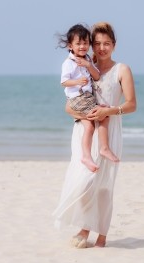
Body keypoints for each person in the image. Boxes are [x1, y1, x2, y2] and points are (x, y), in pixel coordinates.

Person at [53, 22, 137, 248]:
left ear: (114, 45)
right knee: (84, 182)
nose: (101, 48)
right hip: (84, 129)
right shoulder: (85, 67)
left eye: (106, 43)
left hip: (109, 132)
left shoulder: (122, 69)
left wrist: (108, 110)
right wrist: (80, 114)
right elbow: (69, 106)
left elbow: (131, 105)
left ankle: (101, 234)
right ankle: (84, 227)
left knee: (104, 186)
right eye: (97, 43)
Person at [59, 24, 119, 173]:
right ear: (70, 46)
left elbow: (97, 76)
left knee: (91, 126)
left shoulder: (87, 59)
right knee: (104, 113)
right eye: (78, 43)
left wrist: (88, 64)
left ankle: (88, 155)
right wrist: (77, 82)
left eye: (85, 43)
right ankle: (103, 148)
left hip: (86, 98)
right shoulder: (69, 63)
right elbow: (64, 82)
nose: (82, 46)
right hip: (78, 98)